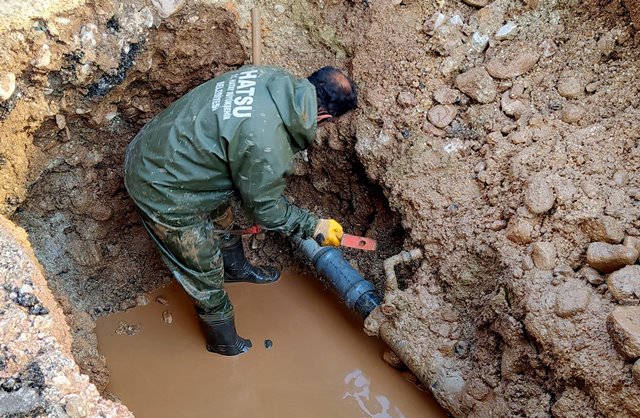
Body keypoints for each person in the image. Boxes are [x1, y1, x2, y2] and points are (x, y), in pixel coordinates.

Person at [124, 65, 358, 356]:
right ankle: (223, 341)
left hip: (169, 148)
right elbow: (267, 210)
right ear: (324, 117)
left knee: (223, 216)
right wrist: (312, 225)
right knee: (202, 264)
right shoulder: (266, 144)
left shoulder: (272, 77)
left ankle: (235, 269)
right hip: (161, 186)